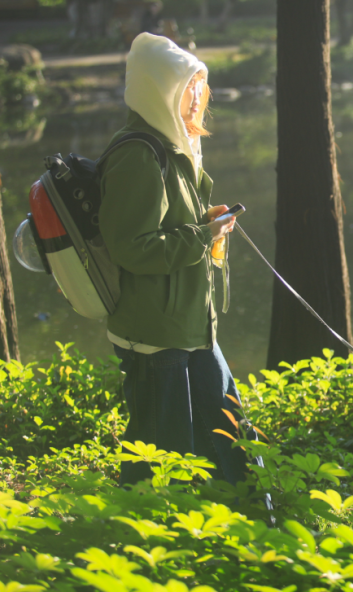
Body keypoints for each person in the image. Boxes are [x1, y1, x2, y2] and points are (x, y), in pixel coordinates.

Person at [98, 32, 253, 486]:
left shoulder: (173, 149)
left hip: (190, 325)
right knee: (160, 454)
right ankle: (145, 540)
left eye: (200, 86)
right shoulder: (138, 155)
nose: (197, 97)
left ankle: (243, 516)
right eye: (187, 86)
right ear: (159, 89)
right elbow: (132, 247)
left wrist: (206, 221)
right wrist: (203, 236)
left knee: (228, 431)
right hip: (155, 334)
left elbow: (171, 226)